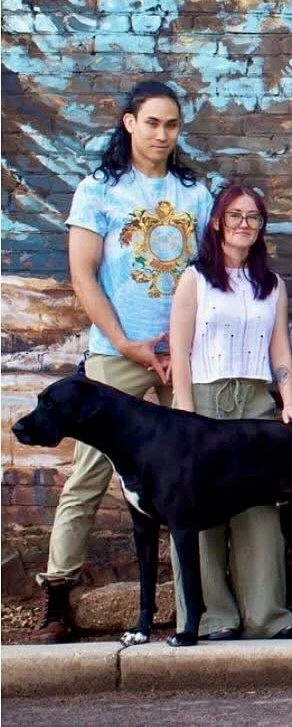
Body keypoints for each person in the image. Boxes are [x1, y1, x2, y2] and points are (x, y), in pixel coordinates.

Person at [34, 80, 214, 643]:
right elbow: (82, 275)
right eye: (153, 122)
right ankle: (57, 598)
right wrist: (127, 342)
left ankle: (204, 604)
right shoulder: (99, 189)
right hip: (118, 354)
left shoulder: (194, 192)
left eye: (173, 125)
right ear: (130, 123)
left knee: (204, 466)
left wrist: (180, 348)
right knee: (89, 473)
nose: (163, 135)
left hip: (182, 355)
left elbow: (209, 273)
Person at [167, 183, 292, 641]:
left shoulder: (271, 285)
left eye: (253, 217)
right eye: (235, 216)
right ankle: (213, 618)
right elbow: (180, 349)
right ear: (217, 222)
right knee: (198, 512)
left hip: (254, 404)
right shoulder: (195, 279)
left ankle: (268, 616)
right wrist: (185, 413)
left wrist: (288, 405)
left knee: (260, 510)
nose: (245, 224)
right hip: (203, 400)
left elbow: (281, 352)